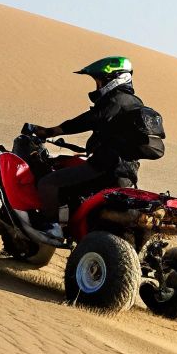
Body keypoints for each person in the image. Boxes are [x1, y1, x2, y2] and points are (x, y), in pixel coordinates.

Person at [24, 55, 149, 235]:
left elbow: (87, 120)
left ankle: (51, 228)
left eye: (99, 81)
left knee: (48, 183)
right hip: (126, 172)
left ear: (113, 79)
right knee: (73, 186)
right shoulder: (135, 103)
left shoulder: (116, 101)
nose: (97, 86)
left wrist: (51, 131)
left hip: (103, 167)